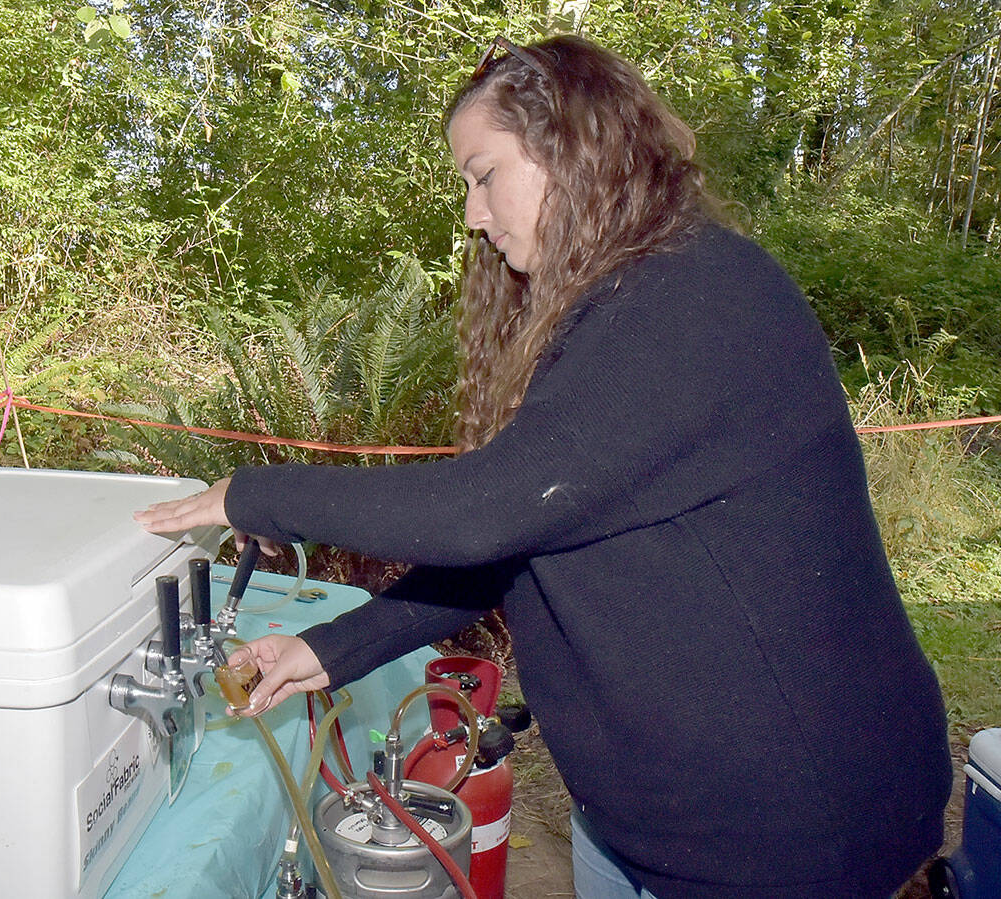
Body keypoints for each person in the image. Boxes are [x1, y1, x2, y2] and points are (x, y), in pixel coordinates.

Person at [133, 34, 952, 899]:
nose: (473, 214)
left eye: (484, 175)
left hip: (787, 837)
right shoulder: (615, 308)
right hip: (644, 824)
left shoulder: (698, 296)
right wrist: (333, 648)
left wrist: (250, 492)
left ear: (570, 143)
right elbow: (516, 546)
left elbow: (485, 510)